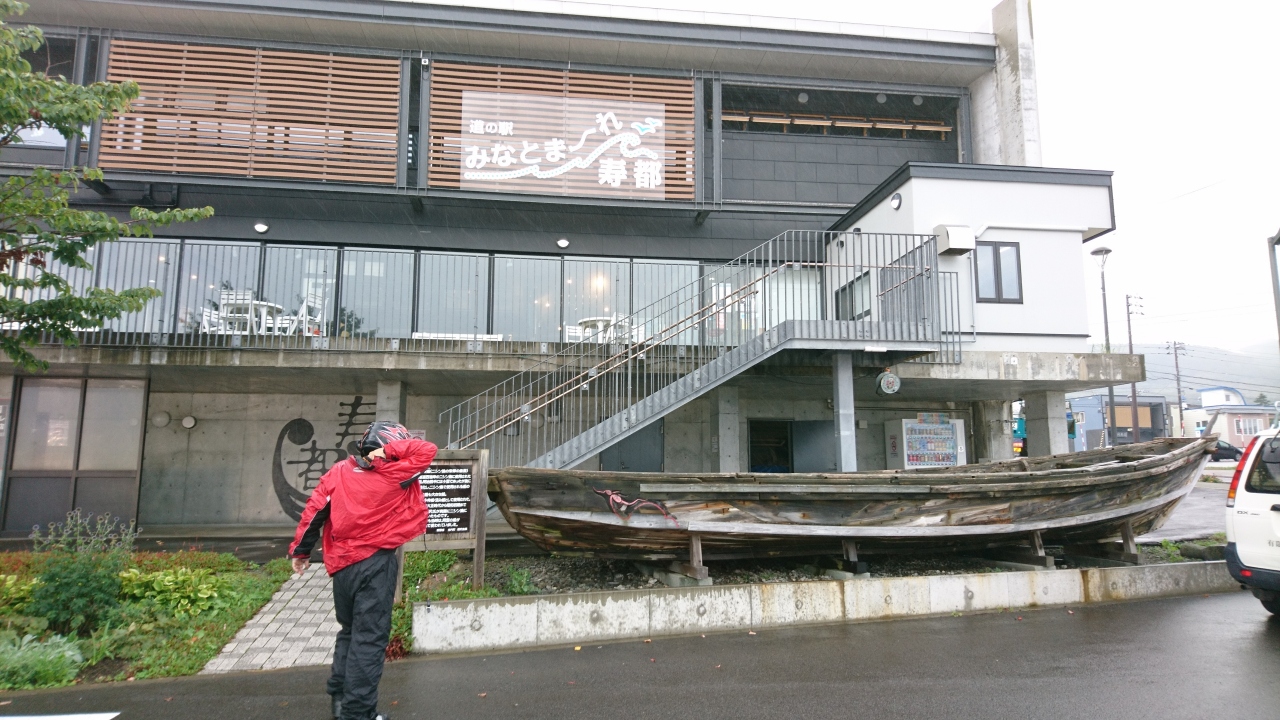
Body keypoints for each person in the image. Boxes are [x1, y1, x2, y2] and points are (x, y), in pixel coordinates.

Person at [289, 421, 437, 720]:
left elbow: (314, 512)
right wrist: (390, 452)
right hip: (375, 565)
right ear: (390, 444)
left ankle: (340, 705)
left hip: (341, 567)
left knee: (349, 633)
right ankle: (358, 714)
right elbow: (427, 449)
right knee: (368, 640)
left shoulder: (339, 472)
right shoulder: (396, 473)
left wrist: (301, 551)